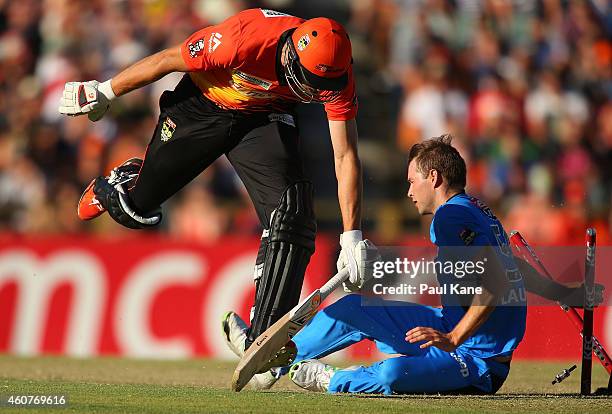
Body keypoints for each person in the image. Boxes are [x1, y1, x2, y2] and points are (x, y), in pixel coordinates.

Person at [58, 8, 374, 387]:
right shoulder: (242, 38)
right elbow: (165, 60)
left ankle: (265, 337)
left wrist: (351, 236)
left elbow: (345, 155)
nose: (314, 93)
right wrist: (105, 91)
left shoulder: (336, 75)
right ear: (291, 54)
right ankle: (123, 182)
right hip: (203, 104)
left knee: (293, 214)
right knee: (137, 210)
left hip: (264, 116)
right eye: (307, 81)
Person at [281, 135, 599, 394]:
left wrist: (455, 338)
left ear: (433, 178)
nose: (408, 192)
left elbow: (498, 280)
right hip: (448, 327)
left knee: (394, 373)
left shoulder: (451, 216)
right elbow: (513, 266)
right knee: (351, 308)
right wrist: (566, 293)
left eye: (412, 181)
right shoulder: (475, 209)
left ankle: (330, 379)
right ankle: (274, 359)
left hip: (478, 361)